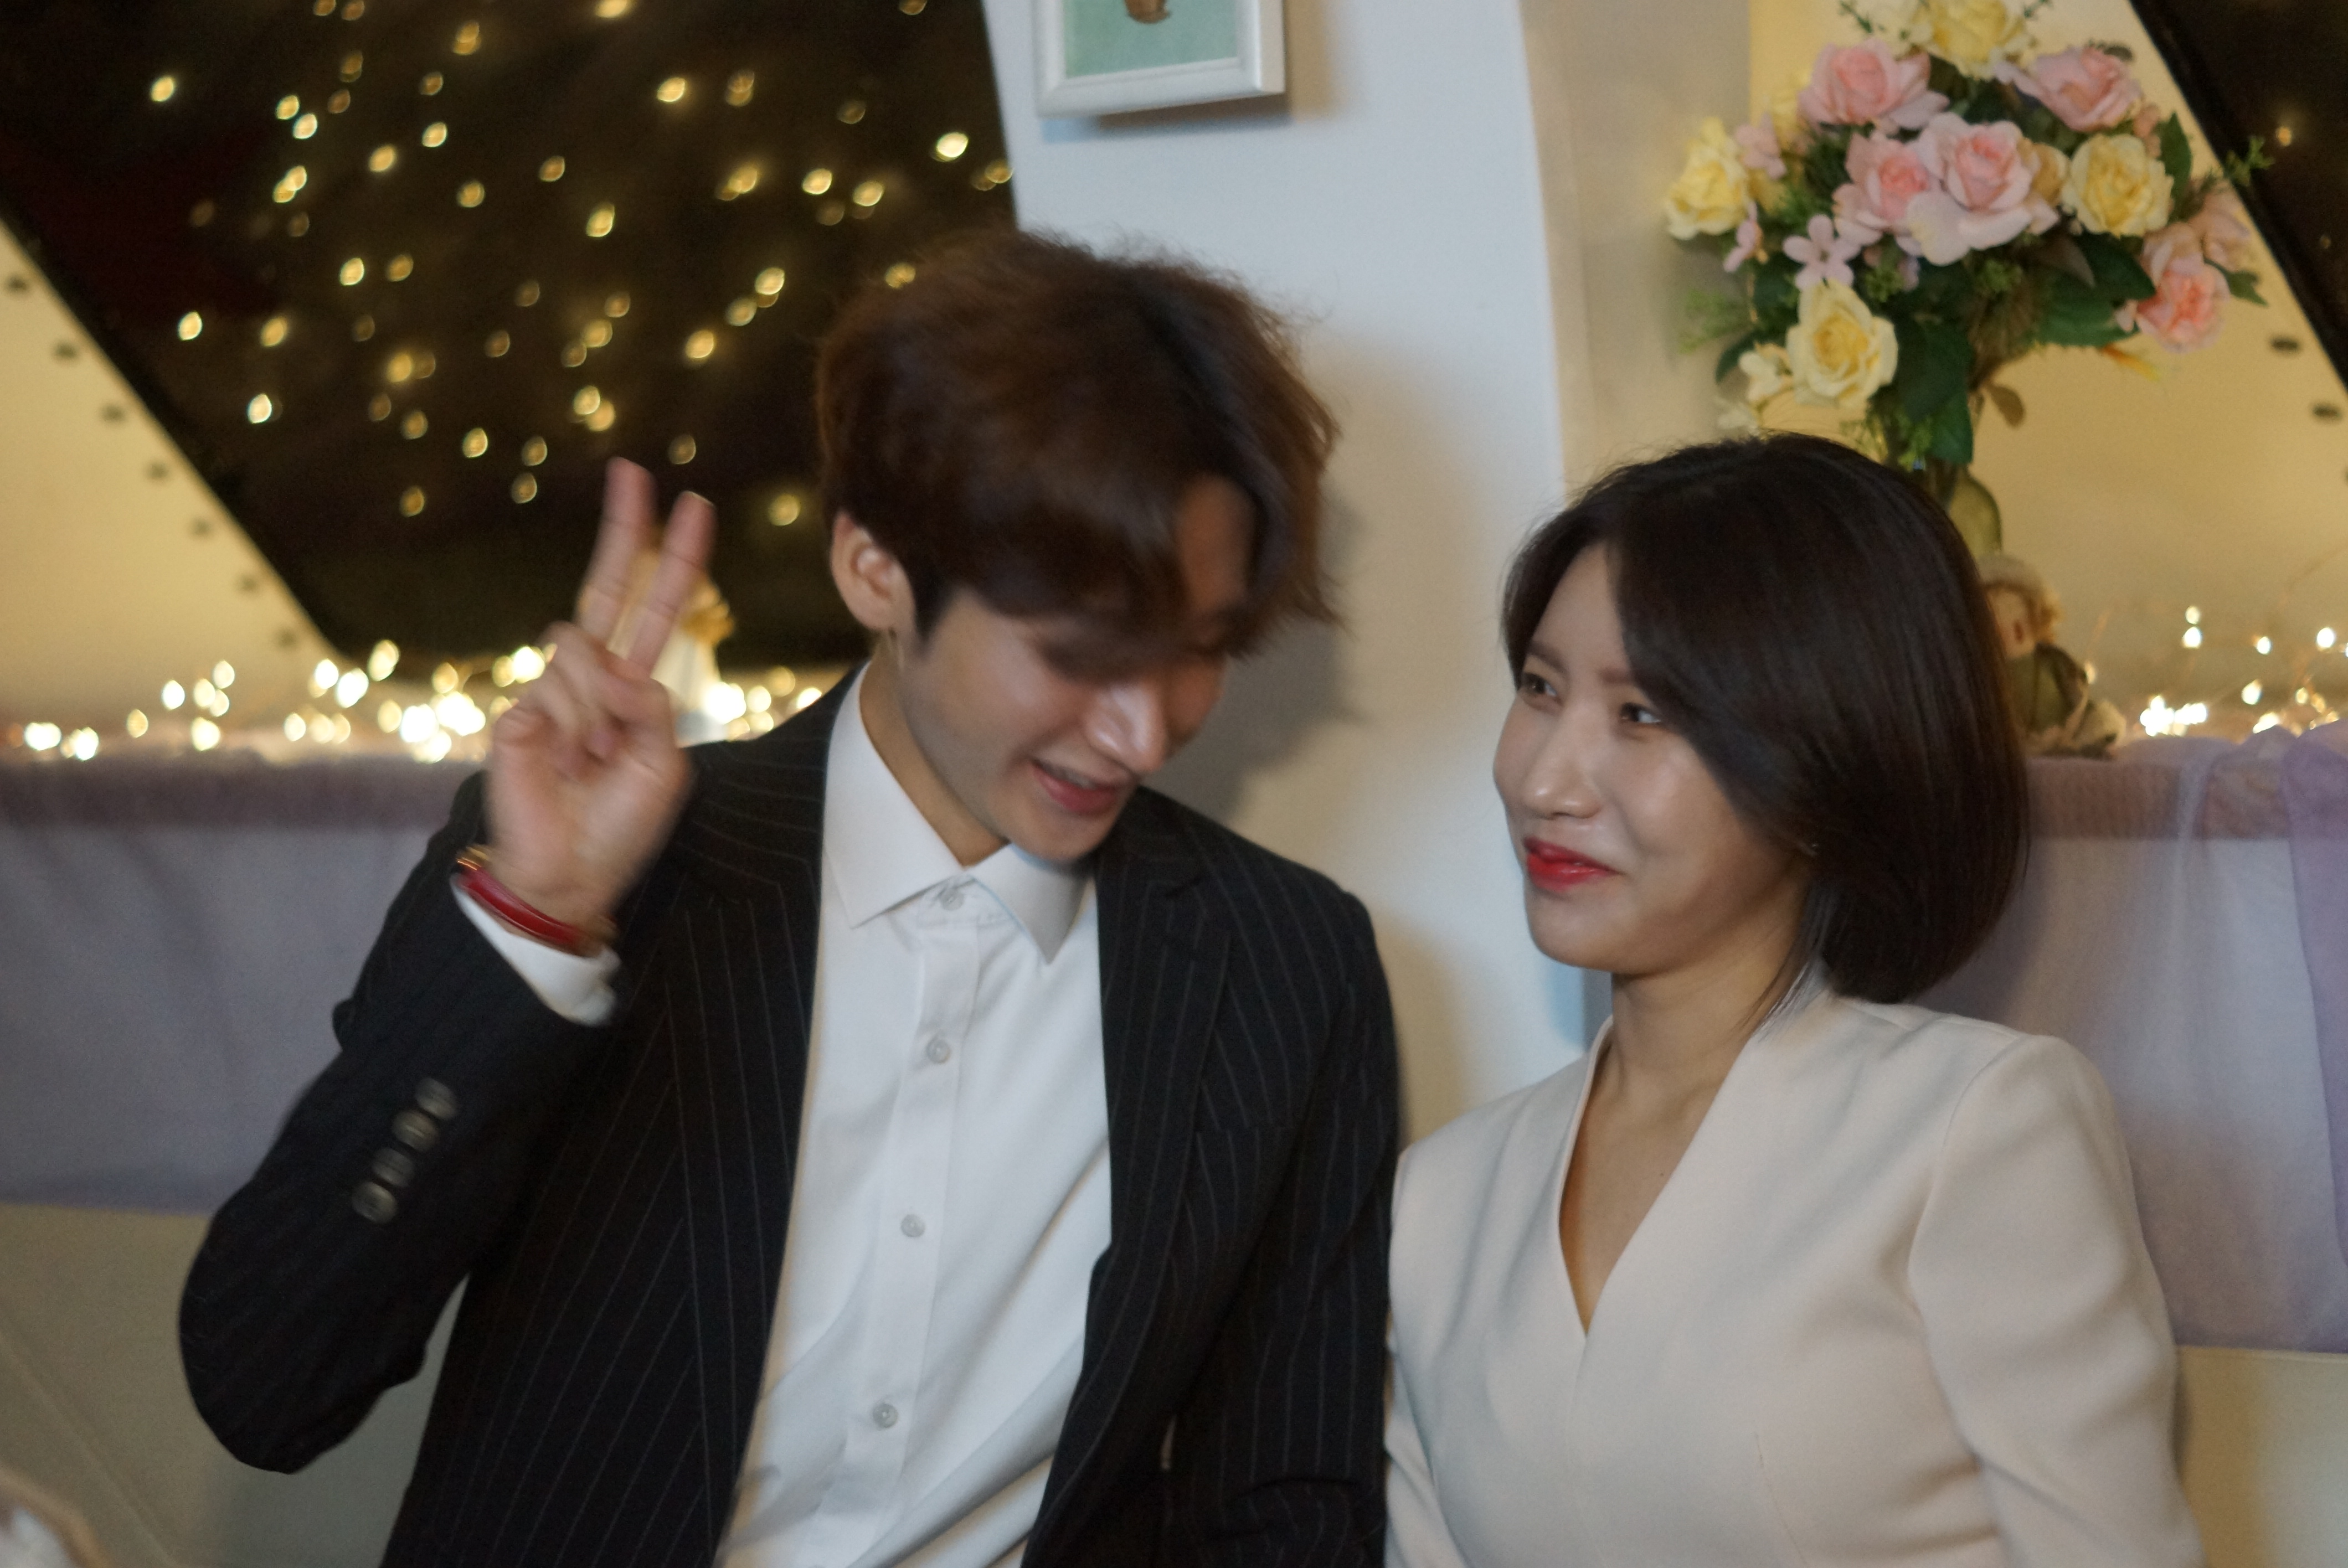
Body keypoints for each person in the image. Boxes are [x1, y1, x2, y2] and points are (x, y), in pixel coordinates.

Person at [181, 231, 1399, 1568]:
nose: (1143, 732)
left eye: (1198, 651)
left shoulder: (1285, 967)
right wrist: (536, 928)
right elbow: (264, 1385)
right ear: (875, 567)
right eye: (1079, 651)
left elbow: (1280, 1511)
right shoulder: (622, 875)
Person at [1385, 435, 2202, 1566]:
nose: (1543, 780)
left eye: (1641, 713)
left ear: (1828, 763)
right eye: (1540, 687)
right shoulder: (1444, 1195)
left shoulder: (1973, 1130)